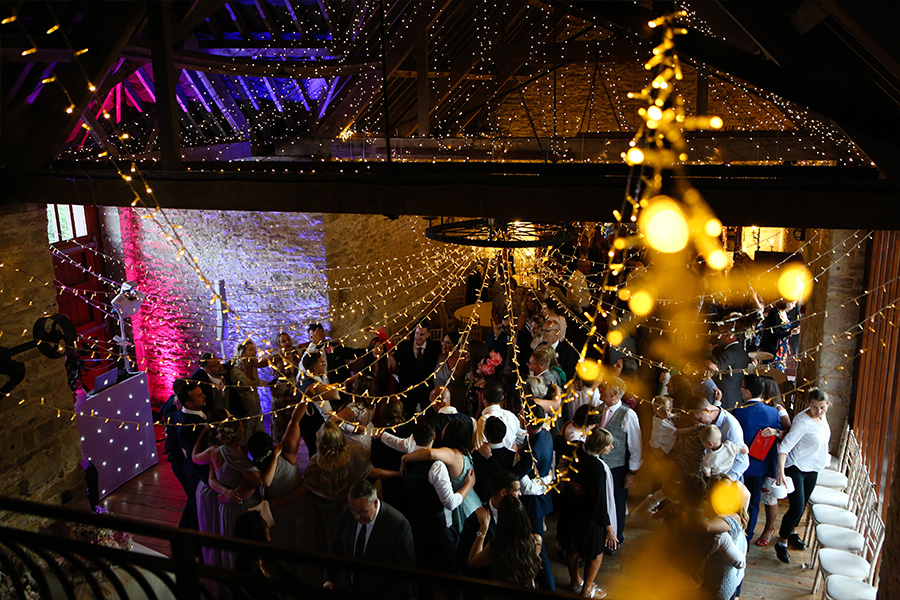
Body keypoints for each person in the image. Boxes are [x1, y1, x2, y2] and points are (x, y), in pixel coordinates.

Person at [323, 480, 415, 598]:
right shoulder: (347, 512)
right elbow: (336, 547)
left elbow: (405, 574)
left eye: (362, 512)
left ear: (375, 503)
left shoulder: (398, 526)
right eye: (353, 510)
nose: (356, 516)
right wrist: (329, 579)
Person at [773, 388, 832, 564]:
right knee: (797, 508)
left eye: (822, 407)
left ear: (828, 405)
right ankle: (782, 542)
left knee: (804, 503)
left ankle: (792, 532)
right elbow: (785, 447)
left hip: (813, 467)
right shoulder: (803, 422)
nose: (818, 411)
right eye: (815, 407)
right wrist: (780, 471)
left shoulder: (823, 417)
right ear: (808, 404)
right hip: (796, 466)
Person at [558, 428, 617, 599]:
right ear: (599, 447)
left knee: (572, 547)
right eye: (608, 445)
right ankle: (587, 589)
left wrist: (569, 483)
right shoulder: (596, 467)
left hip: (571, 509)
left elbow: (560, 464)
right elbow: (598, 500)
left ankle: (575, 581)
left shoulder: (575, 449)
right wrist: (608, 528)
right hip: (588, 515)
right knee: (596, 552)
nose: (612, 447)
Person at [400, 419, 481, 533]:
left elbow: (430, 453)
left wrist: (405, 458)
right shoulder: (465, 452)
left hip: (462, 507)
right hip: (473, 502)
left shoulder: (451, 454)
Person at [248, 401, 306, 552]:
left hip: (277, 514)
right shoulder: (287, 453)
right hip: (299, 510)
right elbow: (294, 420)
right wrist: (306, 398)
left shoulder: (252, 470)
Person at [732, 373, 783, 545]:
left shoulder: (739, 412)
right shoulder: (773, 413)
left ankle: (734, 535)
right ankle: (747, 537)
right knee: (753, 503)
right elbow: (783, 433)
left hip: (740, 465)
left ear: (747, 392)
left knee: (736, 501)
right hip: (760, 465)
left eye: (742, 387)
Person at [597, 376, 642, 550]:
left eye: (604, 388)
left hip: (617, 467)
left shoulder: (628, 415)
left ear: (615, 393)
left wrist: (632, 472)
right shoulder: (599, 409)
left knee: (616, 503)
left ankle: (616, 540)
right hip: (599, 465)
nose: (600, 389)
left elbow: (636, 446)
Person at [467, 495, 542, 588]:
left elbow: (472, 561)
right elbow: (531, 568)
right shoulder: (536, 540)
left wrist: (483, 529)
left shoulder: (496, 546)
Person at [458, 470, 521, 580]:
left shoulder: (519, 512)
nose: (520, 494)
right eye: (516, 490)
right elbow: (463, 556)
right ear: (503, 492)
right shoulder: (475, 520)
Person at [702, 476, 750, 600]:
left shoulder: (732, 517)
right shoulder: (736, 508)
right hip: (730, 574)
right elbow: (747, 494)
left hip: (721, 582)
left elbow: (706, 527)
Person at [689, 394, 749, 482]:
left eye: (700, 419)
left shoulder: (731, 428)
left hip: (729, 480)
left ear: (706, 411)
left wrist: (724, 482)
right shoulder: (711, 417)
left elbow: (742, 461)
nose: (700, 422)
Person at [173, 381, 208, 531]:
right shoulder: (190, 426)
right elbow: (193, 457)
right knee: (195, 506)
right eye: (199, 395)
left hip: (191, 469)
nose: (204, 396)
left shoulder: (186, 414)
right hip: (196, 473)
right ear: (189, 403)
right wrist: (207, 480)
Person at [390, 321, 441, 417]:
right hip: (408, 388)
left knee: (429, 415)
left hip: (426, 389)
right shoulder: (404, 346)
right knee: (407, 415)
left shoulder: (434, 347)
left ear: (428, 335)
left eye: (421, 334)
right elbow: (393, 360)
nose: (417, 336)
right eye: (416, 333)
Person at [297, 351, 338, 458]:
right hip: (315, 425)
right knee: (320, 452)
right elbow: (326, 412)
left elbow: (302, 362)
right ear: (315, 368)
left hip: (305, 423)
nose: (324, 364)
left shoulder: (301, 376)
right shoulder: (315, 388)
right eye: (322, 363)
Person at [267, 331, 301, 442]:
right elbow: (259, 363)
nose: (287, 342)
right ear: (279, 345)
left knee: (293, 433)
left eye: (288, 339)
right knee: (280, 434)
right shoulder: (276, 358)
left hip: (295, 399)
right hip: (280, 401)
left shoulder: (297, 356)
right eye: (283, 341)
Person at [713, 316, 751, 410]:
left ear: (728, 335)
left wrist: (708, 352)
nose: (718, 338)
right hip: (736, 396)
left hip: (725, 398)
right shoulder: (742, 351)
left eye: (720, 335)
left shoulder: (729, 353)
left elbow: (715, 369)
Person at [229, 339, 264, 441]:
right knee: (245, 437)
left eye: (254, 349)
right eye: (251, 349)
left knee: (258, 437)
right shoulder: (235, 371)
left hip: (256, 407)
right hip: (244, 409)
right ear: (243, 353)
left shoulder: (253, 367)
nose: (255, 352)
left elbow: (257, 382)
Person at [473, 380, 523, 451]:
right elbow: (522, 438)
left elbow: (480, 448)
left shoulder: (484, 420)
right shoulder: (511, 416)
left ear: (483, 396)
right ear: (502, 398)